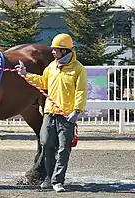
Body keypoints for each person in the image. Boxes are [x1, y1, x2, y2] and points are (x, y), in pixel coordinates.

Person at [16, 33, 87, 192]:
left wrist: (77, 111)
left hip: (67, 116)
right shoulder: (51, 67)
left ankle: (57, 181)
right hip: (49, 114)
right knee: (47, 144)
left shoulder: (78, 69)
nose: (53, 52)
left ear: (65, 51)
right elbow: (42, 82)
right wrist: (25, 74)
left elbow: (81, 91)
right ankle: (49, 177)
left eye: (56, 50)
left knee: (63, 149)